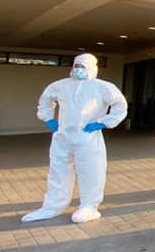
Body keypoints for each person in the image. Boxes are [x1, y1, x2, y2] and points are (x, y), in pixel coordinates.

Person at [22, 53, 127, 224]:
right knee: (57, 171)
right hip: (62, 137)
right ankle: (54, 205)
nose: (78, 70)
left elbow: (120, 105)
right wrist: (48, 118)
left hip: (88, 137)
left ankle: (89, 206)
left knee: (91, 171)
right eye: (76, 66)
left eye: (83, 67)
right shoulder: (61, 85)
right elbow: (46, 99)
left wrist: (103, 123)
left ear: (92, 68)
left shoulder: (102, 87)